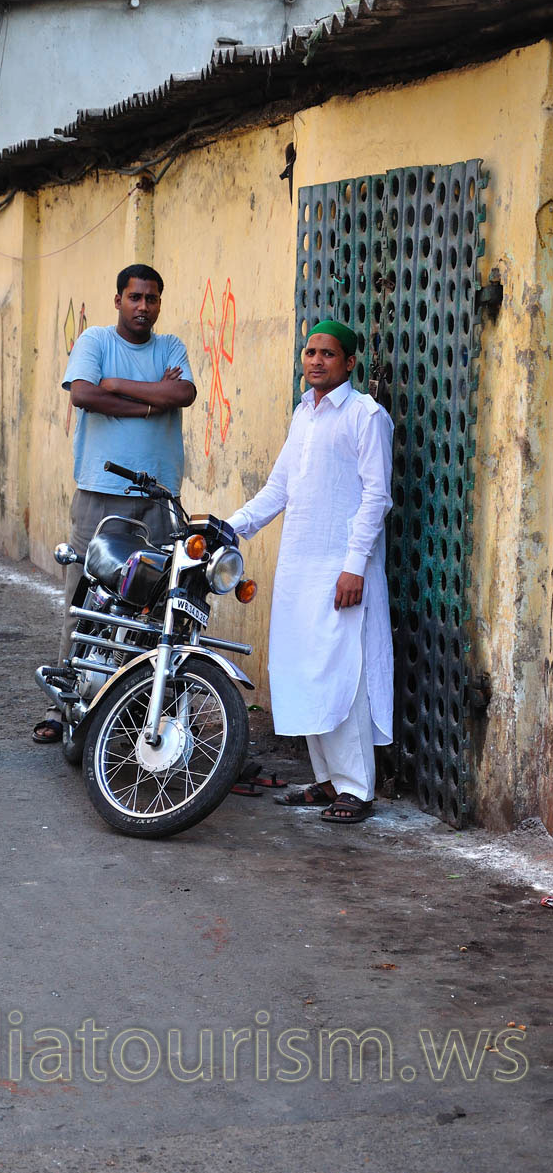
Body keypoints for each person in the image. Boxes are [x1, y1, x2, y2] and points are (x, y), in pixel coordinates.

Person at [227, 319, 394, 824]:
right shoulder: (304, 414)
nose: (316, 361)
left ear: (349, 363)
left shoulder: (367, 416)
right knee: (307, 674)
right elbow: (278, 489)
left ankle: (358, 789)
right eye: (310, 352)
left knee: (345, 677)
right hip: (299, 569)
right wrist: (226, 526)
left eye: (328, 353)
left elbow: (376, 497)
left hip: (343, 572)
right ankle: (325, 783)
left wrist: (353, 566)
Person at [33, 263, 196, 743]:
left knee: (155, 608)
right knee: (84, 600)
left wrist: (118, 386)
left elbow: (183, 392)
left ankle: (133, 710)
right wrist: (152, 401)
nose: (143, 307)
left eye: (151, 299)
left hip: (160, 499)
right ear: (118, 299)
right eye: (134, 297)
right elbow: (83, 393)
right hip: (100, 497)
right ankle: (63, 707)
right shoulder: (97, 342)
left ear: (159, 303)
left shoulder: (171, 348)